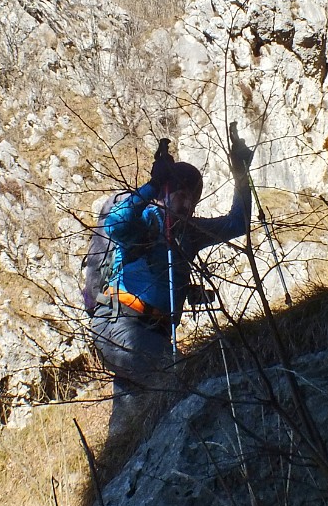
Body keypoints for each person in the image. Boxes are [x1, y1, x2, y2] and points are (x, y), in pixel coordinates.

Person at [90, 135, 253, 434]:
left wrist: (241, 174)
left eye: (193, 197)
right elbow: (115, 224)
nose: (188, 202)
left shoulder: (189, 233)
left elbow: (237, 223)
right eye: (181, 193)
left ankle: (116, 467)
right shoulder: (149, 220)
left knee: (131, 425)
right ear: (166, 194)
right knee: (181, 381)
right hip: (123, 325)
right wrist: (152, 186)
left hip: (149, 337)